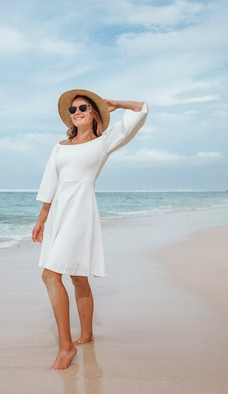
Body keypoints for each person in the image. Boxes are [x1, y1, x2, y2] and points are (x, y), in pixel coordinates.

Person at [32, 89, 148, 370]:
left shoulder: (104, 142)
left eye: (83, 107)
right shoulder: (60, 146)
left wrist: (117, 104)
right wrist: (42, 217)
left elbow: (141, 110)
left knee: (50, 275)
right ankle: (87, 334)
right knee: (77, 278)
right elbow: (50, 181)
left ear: (95, 112)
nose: (78, 112)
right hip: (60, 211)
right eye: (73, 110)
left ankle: (66, 347)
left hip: (81, 212)